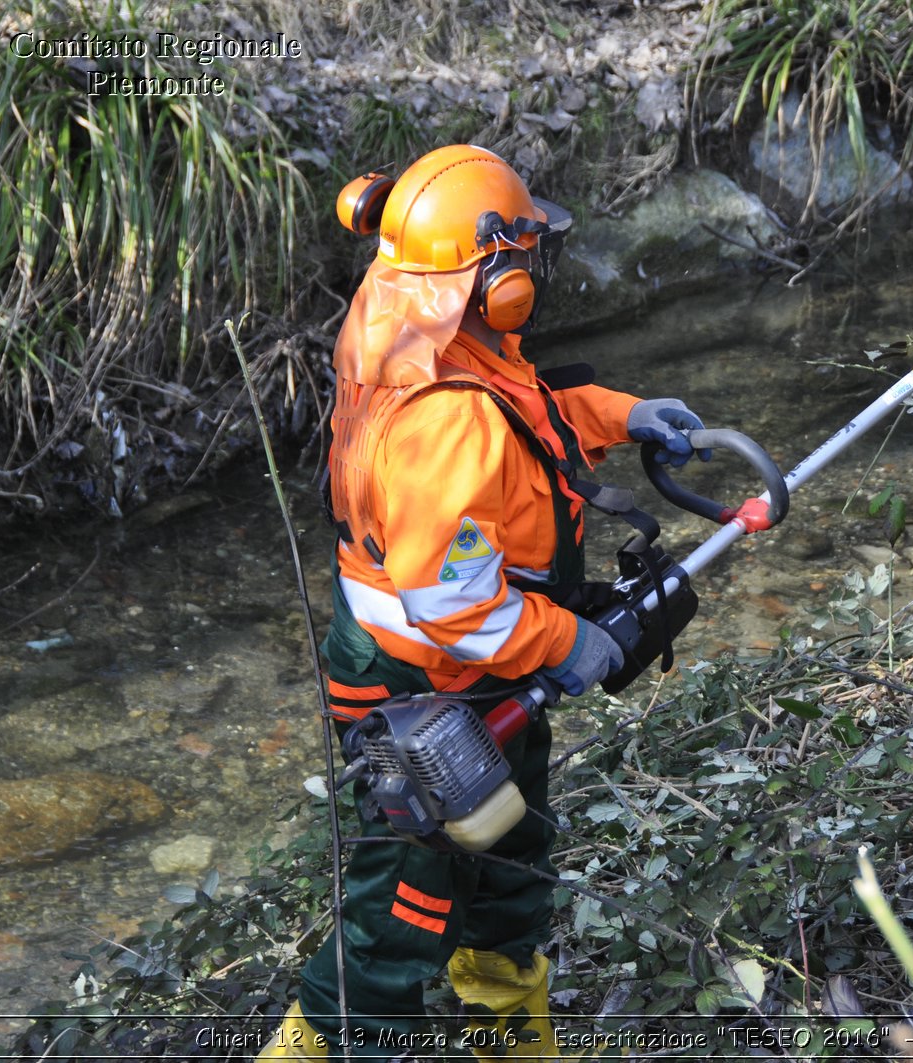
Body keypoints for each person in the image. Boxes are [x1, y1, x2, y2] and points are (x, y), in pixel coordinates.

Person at [258, 145, 709, 1060]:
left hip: (483, 667)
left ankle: (509, 1036)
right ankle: (319, 1049)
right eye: (525, 257)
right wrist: (566, 637)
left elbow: (527, 417)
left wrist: (625, 414)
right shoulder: (441, 420)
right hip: (425, 680)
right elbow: (449, 600)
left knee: (509, 863)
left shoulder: (424, 325)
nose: (536, 275)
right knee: (404, 902)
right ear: (491, 276)